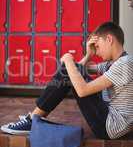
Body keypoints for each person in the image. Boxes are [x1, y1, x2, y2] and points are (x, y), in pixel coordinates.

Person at [1, 21, 133, 139]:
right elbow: (79, 70)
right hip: (108, 115)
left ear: (109, 39)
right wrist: (88, 55)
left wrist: (69, 59)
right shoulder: (114, 63)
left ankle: (32, 119)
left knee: (69, 69)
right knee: (70, 70)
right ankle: (34, 118)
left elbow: (82, 90)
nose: (96, 51)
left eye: (97, 46)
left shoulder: (125, 63)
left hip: (110, 126)